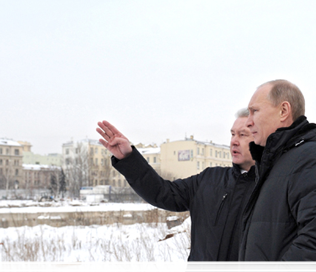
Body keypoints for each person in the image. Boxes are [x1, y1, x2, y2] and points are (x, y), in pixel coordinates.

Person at [96, 109, 256, 272]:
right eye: (232, 134)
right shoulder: (209, 179)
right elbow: (162, 192)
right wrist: (129, 158)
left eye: (242, 135)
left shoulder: (273, 188)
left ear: (260, 137)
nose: (234, 141)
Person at [240, 79, 316, 271]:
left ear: (283, 111)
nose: (248, 122)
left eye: (255, 111)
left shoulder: (315, 156)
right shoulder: (277, 163)